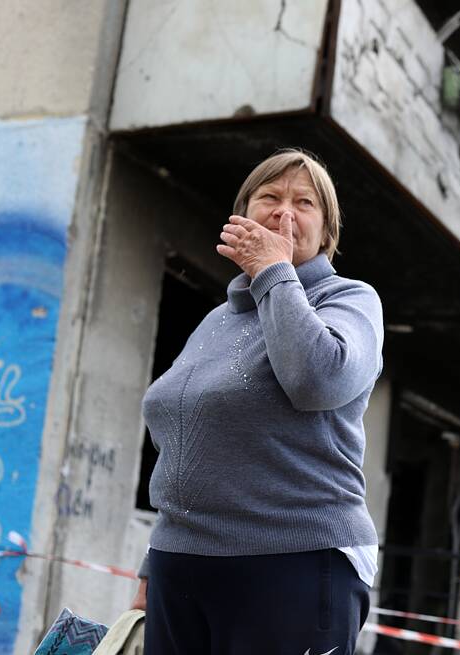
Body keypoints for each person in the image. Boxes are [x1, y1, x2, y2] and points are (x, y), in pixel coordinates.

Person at [129, 149, 383, 654]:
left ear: (326, 233)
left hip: (295, 559)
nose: (284, 211)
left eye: (304, 203)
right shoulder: (216, 321)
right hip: (181, 565)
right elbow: (186, 445)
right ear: (243, 215)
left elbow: (317, 380)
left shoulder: (349, 299)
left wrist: (274, 270)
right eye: (269, 197)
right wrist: (152, 565)